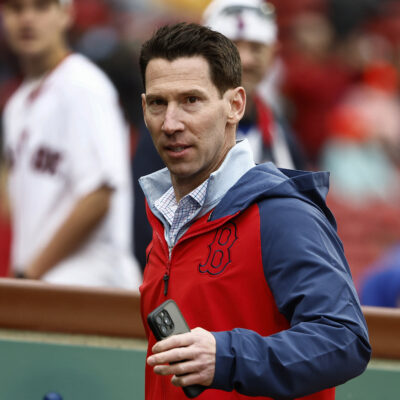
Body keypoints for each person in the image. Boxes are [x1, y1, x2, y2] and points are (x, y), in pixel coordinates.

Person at [138, 22, 370, 400]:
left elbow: (345, 340)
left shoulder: (283, 214)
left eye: (191, 100)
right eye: (158, 103)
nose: (171, 123)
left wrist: (228, 357)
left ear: (235, 105)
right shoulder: (164, 220)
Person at [1, 0, 141, 289]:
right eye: (16, 9)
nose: (27, 19)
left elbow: (98, 195)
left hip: (91, 287)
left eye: (41, 7)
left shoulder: (84, 86)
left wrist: (29, 275)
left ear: (65, 13)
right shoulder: (16, 105)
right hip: (46, 285)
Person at [202, 0, 305, 169]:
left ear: (273, 53)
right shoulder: (176, 124)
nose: (245, 60)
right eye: (232, 46)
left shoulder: (279, 131)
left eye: (256, 48)